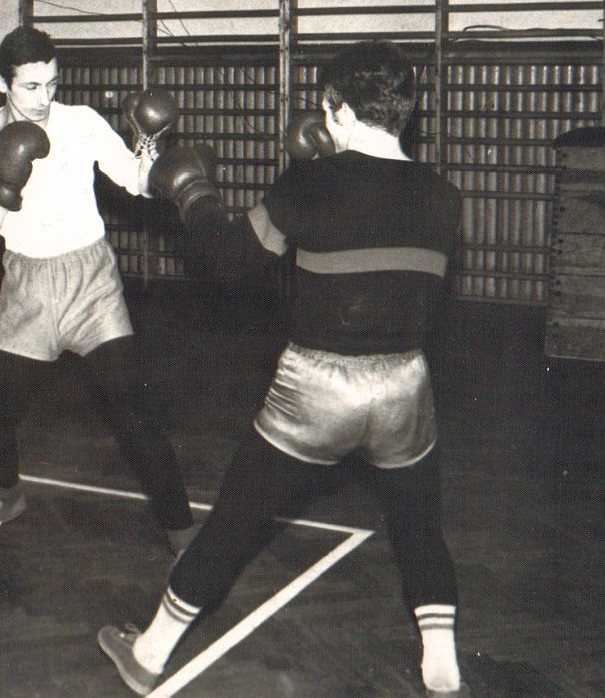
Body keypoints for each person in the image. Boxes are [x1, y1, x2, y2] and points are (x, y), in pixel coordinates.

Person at [98, 41, 468, 696]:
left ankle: (149, 654)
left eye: (327, 113)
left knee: (236, 523)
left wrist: (192, 194)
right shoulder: (444, 197)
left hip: (319, 388)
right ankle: (442, 667)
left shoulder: (309, 184)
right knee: (420, 527)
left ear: (341, 112)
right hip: (405, 386)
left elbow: (234, 262)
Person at [0, 26, 197, 555]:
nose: (45, 99)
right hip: (28, 288)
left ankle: (182, 532)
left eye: (53, 84)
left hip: (92, 283)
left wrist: (149, 143)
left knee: (134, 408)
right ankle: (6, 495)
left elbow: (135, 180)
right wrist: (5, 183)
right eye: (31, 87)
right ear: (1, 83)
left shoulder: (81, 122)